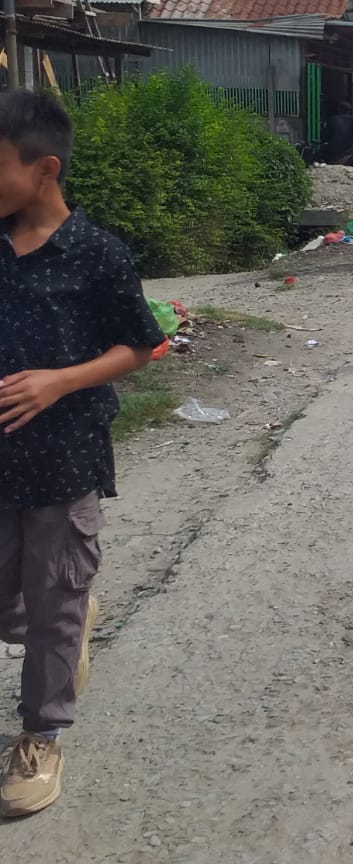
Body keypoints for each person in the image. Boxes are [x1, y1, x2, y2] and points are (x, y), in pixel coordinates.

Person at [0, 90, 167, 817]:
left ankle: (41, 735)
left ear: (45, 170)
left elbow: (143, 343)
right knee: (17, 606)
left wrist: (60, 381)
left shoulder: (97, 253)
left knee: (55, 600)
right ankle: (63, 622)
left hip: (62, 459)